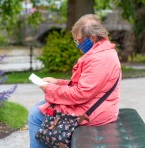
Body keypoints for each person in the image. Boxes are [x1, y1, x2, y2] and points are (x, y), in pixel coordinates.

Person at [28, 14, 121, 148]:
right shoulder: (102, 52)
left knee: (36, 115)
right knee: (42, 107)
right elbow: (83, 85)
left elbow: (81, 93)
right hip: (93, 105)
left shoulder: (100, 59)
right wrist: (57, 82)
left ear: (93, 38)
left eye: (79, 41)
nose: (78, 45)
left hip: (95, 111)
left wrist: (49, 89)